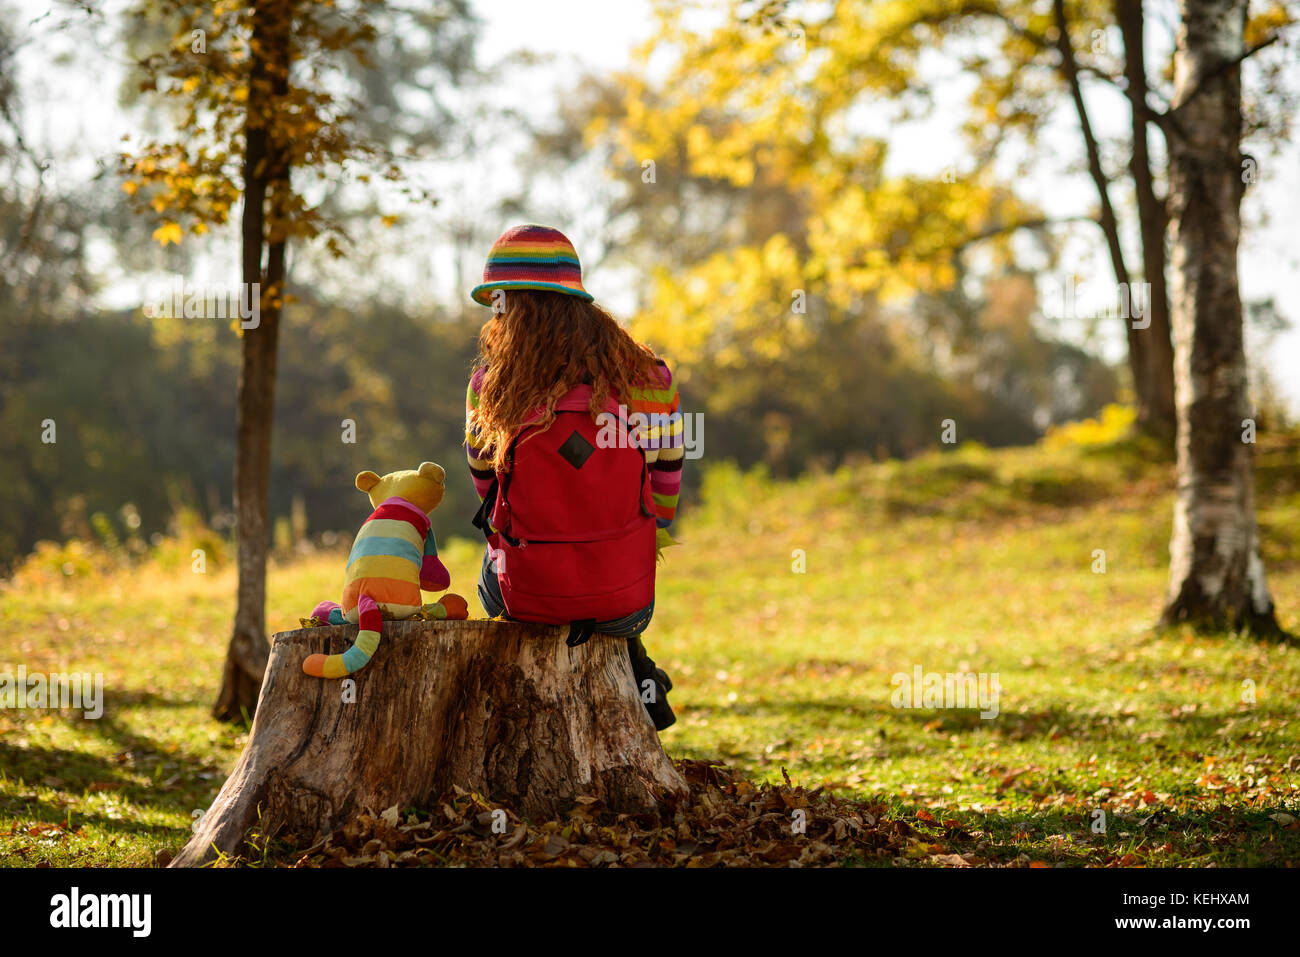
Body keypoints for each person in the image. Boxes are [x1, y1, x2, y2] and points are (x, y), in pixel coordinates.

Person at [463, 223, 683, 730]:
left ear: (508, 306)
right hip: (627, 600)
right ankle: (640, 670)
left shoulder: (490, 388)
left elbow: (490, 495)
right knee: (610, 571)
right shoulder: (647, 377)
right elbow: (663, 498)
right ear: (576, 298)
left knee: (495, 552)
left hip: (524, 597)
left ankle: (639, 670)